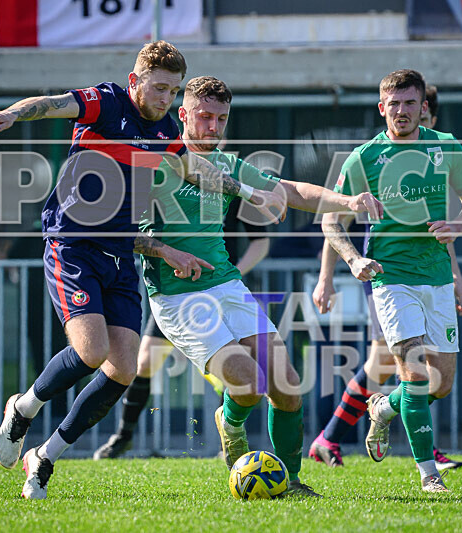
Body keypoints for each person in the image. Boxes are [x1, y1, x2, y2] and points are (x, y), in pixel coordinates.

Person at [0, 41, 286, 500]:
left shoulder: (165, 133)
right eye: (159, 87)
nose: (166, 99)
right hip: (72, 244)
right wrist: (17, 112)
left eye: (174, 91)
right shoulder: (106, 102)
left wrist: (250, 194)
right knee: (92, 350)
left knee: (122, 368)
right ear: (136, 80)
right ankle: (23, 408)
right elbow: (51, 104)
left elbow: (195, 168)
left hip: (121, 254)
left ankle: (45, 457)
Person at [141, 76, 383, 498]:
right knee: (249, 383)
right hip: (177, 295)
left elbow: (290, 190)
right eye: (204, 117)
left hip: (227, 285)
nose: (213, 127)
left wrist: (347, 202)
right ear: (182, 115)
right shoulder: (156, 162)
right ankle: (230, 421)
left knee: (286, 384)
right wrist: (167, 252)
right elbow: (125, 235)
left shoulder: (228, 165)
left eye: (221, 119)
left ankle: (289, 483)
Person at [321, 69, 462, 493]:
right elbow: (330, 221)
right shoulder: (363, 157)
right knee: (412, 374)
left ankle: (385, 407)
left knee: (441, 384)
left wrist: (460, 225)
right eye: (393, 104)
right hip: (391, 279)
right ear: (382, 108)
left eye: (409, 103)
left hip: (436, 279)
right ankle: (429, 475)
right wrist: (353, 260)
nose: (401, 111)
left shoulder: (445, 147)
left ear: (422, 106)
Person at [94, 208, 269, 459]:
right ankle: (123, 436)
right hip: (176, 296)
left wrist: (231, 273)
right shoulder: (170, 186)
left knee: (230, 374)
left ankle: (226, 444)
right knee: (144, 364)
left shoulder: (227, 184)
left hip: (218, 294)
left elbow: (261, 241)